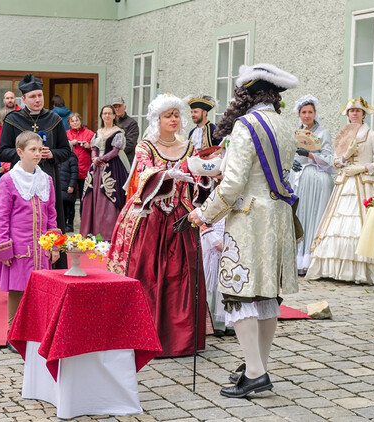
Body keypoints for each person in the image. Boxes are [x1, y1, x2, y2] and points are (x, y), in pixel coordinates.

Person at [188, 63, 299, 398]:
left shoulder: (245, 126)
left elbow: (234, 182)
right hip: (278, 216)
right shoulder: (284, 125)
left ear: (247, 94)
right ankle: (259, 367)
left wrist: (204, 213)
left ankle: (254, 371)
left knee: (239, 293)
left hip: (250, 218)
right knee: (266, 294)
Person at [108, 93, 212, 359]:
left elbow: (199, 176)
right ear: (157, 119)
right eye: (168, 115)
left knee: (182, 276)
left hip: (180, 217)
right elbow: (142, 172)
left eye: (176, 114)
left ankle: (180, 338)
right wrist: (165, 175)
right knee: (148, 274)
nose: (174, 119)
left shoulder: (188, 146)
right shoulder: (146, 146)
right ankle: (143, 335)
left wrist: (207, 177)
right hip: (150, 216)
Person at [0, 131, 59, 341]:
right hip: (19, 246)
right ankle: (13, 333)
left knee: (41, 291)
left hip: (42, 246)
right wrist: (3, 248)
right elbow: (1, 217)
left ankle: (38, 331)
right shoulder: (9, 181)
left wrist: (54, 245)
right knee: (18, 291)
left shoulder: (46, 180)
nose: (38, 154)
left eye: (40, 149)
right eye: (33, 150)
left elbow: (52, 215)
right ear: (20, 152)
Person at [0, 73, 72, 268]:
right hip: (20, 183)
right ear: (23, 99)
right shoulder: (12, 119)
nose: (37, 100)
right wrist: (28, 155)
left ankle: (54, 268)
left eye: (40, 95)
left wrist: (51, 154)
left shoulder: (54, 118)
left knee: (52, 220)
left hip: (48, 180)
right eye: (32, 96)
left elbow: (66, 151)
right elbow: (3, 152)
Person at [306, 97, 374, 284]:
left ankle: (362, 270)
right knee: (337, 224)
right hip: (345, 183)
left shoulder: (371, 135)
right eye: (351, 111)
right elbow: (336, 163)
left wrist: (363, 168)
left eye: (358, 111)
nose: (354, 113)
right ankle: (333, 269)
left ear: (363, 114)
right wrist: (346, 154)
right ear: (348, 115)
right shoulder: (343, 135)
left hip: (363, 183)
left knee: (361, 223)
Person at [290, 95, 335, 275]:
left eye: (310, 112)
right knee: (299, 216)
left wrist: (309, 155)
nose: (307, 115)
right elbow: (287, 154)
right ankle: (296, 259)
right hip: (298, 179)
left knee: (314, 217)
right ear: (299, 114)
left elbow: (329, 160)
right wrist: (292, 161)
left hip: (317, 179)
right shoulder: (295, 133)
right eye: (304, 112)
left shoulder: (323, 133)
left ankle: (311, 260)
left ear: (315, 113)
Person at [79, 105, 129, 241]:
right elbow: (94, 147)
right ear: (101, 116)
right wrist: (94, 158)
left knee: (109, 198)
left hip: (112, 168)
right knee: (91, 197)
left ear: (114, 116)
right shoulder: (98, 132)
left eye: (109, 113)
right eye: (104, 113)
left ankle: (106, 234)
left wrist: (101, 159)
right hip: (95, 168)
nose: (107, 116)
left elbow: (115, 151)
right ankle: (91, 233)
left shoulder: (118, 132)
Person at [65, 112, 94, 215]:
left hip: (84, 169)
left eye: (77, 120)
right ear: (69, 123)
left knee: (84, 195)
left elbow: (96, 149)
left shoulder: (89, 133)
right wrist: (70, 144)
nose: (75, 122)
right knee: (69, 196)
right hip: (70, 170)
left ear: (80, 121)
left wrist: (89, 146)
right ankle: (69, 221)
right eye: (72, 121)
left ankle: (83, 218)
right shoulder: (66, 134)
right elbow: (62, 149)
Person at [112, 96, 140, 164]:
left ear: (124, 107)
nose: (117, 109)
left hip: (127, 160)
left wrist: (114, 153)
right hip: (112, 160)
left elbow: (130, 144)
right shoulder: (110, 123)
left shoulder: (132, 123)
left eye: (119, 106)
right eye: (115, 107)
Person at [59, 149, 78, 232]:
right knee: (61, 208)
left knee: (70, 208)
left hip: (69, 187)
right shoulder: (60, 158)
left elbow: (74, 173)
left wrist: (72, 185)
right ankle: (63, 224)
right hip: (61, 187)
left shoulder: (72, 158)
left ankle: (70, 225)